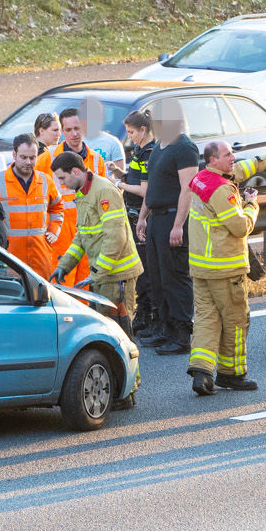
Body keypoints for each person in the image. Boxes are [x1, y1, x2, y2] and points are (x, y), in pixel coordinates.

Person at [185, 140, 266, 395]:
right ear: (213, 160)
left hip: (202, 268)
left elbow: (236, 171)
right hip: (225, 269)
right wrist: (251, 205)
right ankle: (231, 374)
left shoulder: (202, 179)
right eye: (227, 155)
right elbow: (240, 227)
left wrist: (262, 162)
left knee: (206, 319)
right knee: (236, 321)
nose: (233, 157)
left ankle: (201, 373)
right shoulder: (222, 190)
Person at [51, 150, 144, 336]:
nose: (61, 184)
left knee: (119, 333)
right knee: (107, 331)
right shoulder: (83, 192)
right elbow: (82, 235)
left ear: (75, 171)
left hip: (117, 275)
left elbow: (115, 238)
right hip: (104, 275)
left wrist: (96, 273)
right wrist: (64, 265)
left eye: (62, 178)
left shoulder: (103, 191)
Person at [136, 98, 198, 356]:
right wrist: (143, 217)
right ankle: (164, 328)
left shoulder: (185, 148)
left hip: (173, 219)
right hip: (156, 219)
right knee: (157, 277)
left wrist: (178, 225)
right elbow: (152, 187)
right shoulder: (159, 147)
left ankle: (181, 335)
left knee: (175, 277)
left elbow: (187, 189)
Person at [36, 108, 108, 288]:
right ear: (62, 130)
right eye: (68, 130)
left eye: (77, 128)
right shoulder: (47, 159)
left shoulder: (96, 160)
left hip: (89, 234)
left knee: (84, 287)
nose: (74, 134)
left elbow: (104, 199)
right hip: (60, 237)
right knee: (61, 286)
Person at [0, 133, 65, 279]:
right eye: (23, 157)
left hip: (40, 259)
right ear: (14, 155)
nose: (28, 162)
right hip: (9, 260)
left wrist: (54, 230)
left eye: (32, 157)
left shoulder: (45, 181)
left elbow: (57, 207)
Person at [120, 110, 159, 337]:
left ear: (143, 130)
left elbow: (145, 191)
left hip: (142, 216)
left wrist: (119, 184)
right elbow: (136, 178)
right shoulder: (139, 151)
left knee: (145, 270)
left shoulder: (148, 154)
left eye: (131, 132)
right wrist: (120, 174)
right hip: (134, 214)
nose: (129, 136)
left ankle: (149, 316)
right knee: (140, 270)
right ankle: (143, 313)